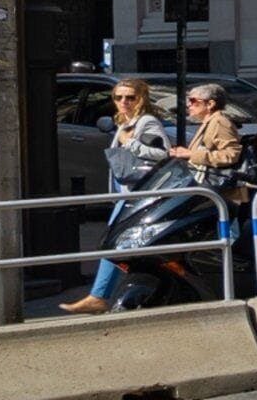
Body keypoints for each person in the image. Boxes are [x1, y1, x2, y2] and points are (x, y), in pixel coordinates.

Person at [59, 78, 176, 314]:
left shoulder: (147, 121)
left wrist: (131, 143)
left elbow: (162, 153)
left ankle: (100, 295)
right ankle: (110, 294)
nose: (123, 102)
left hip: (137, 195)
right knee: (119, 245)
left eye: (130, 97)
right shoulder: (126, 122)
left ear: (141, 98)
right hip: (127, 195)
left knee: (115, 244)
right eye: (118, 97)